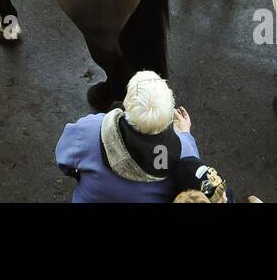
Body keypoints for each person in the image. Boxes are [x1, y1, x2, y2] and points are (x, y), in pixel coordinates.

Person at [56, 70, 199, 203]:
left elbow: (63, 160)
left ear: (126, 103)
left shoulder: (90, 129)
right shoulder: (186, 154)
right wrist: (185, 135)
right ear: (170, 112)